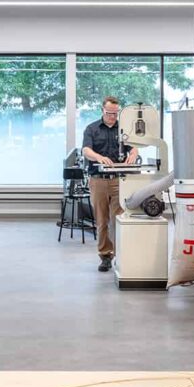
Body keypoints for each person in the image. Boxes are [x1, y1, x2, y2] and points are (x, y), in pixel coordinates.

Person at [81, 96, 138, 273]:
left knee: (118, 219)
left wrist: (134, 153)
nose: (112, 117)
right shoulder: (92, 129)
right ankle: (105, 255)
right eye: (109, 113)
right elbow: (86, 150)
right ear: (102, 111)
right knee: (102, 220)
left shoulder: (123, 129)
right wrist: (99, 157)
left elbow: (134, 145)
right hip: (98, 180)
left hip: (118, 181)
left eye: (115, 113)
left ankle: (121, 254)